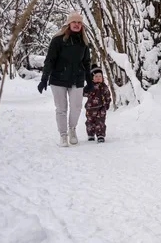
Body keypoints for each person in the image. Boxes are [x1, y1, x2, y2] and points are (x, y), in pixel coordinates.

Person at [38, 11, 92, 147]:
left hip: (77, 79)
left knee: (76, 107)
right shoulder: (58, 40)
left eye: (79, 22)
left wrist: (90, 81)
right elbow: (50, 60)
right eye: (74, 22)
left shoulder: (84, 42)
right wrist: (44, 78)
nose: (77, 25)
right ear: (68, 24)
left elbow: (86, 62)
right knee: (61, 108)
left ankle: (72, 129)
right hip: (58, 79)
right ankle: (63, 135)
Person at [84, 66, 112, 143]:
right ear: (92, 78)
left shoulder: (104, 86)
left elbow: (107, 95)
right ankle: (91, 134)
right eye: (96, 76)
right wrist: (86, 89)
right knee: (90, 122)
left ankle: (100, 135)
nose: (98, 78)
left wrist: (107, 103)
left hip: (101, 108)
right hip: (90, 108)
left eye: (100, 76)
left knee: (100, 122)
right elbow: (84, 94)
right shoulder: (90, 86)